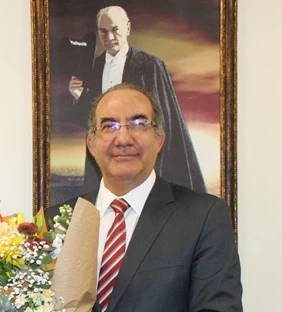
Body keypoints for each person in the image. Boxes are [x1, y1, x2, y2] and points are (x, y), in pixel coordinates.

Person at [46, 83, 243, 312]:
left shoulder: (204, 215)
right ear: (91, 143)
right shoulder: (56, 220)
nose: (123, 138)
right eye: (109, 126)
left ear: (159, 138)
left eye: (138, 123)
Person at [68, 5, 207, 194]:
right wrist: (78, 98)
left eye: (115, 29)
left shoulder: (150, 65)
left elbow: (165, 120)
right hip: (104, 165)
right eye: (103, 31)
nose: (109, 37)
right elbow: (90, 123)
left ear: (128, 28)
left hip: (143, 163)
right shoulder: (93, 67)